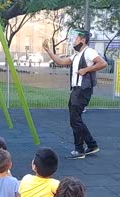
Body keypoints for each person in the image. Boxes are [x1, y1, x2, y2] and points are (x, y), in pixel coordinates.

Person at [43, 29, 107, 159]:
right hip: (77, 90)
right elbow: (60, 62)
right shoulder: (77, 55)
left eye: (76, 39)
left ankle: (79, 149)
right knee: (75, 119)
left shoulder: (89, 52)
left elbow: (103, 63)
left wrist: (86, 70)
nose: (74, 41)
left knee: (75, 120)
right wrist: (48, 51)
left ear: (83, 40)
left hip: (83, 90)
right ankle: (91, 145)